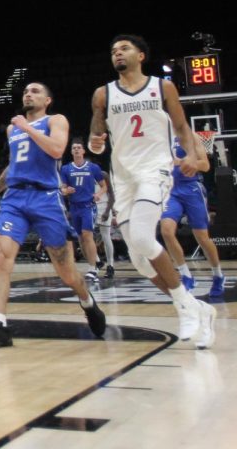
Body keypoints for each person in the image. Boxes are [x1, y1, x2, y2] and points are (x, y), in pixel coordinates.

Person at [90, 35, 216, 348]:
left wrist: (191, 155)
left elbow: (183, 127)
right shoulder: (102, 94)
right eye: (113, 50)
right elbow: (96, 132)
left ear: (141, 55)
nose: (117, 53)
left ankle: (184, 307)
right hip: (123, 178)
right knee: (140, 260)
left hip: (155, 170)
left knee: (146, 239)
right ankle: (199, 308)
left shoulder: (162, 87)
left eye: (124, 48)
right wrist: (96, 141)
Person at [0, 82, 106, 349]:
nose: (28, 94)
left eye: (35, 91)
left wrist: (27, 128)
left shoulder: (55, 120)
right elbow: (13, 166)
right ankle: (0, 326)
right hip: (15, 198)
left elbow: (57, 150)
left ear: (48, 100)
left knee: (65, 270)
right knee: (2, 257)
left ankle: (87, 301)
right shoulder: (14, 129)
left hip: (46, 198)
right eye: (25, 92)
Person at [160, 135, 224, 298]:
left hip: (191, 189)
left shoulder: (190, 136)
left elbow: (205, 165)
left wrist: (181, 162)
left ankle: (218, 275)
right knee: (166, 231)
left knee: (202, 237)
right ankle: (186, 275)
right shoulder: (159, 135)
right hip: (170, 190)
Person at [58, 138, 108, 284]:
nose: (77, 150)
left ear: (84, 151)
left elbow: (104, 186)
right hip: (74, 207)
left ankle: (93, 268)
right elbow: (62, 189)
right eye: (74, 148)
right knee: (80, 239)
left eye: (79, 147)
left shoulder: (93, 167)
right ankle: (96, 261)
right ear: (72, 151)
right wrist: (67, 191)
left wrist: (98, 195)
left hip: (88, 206)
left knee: (87, 235)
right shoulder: (66, 169)